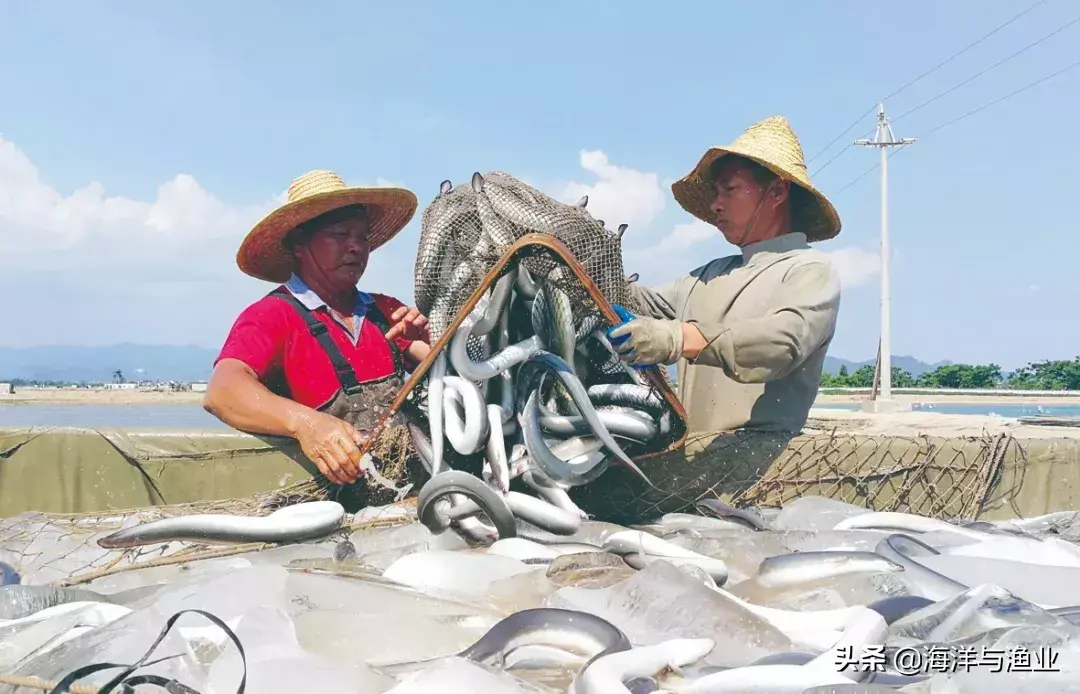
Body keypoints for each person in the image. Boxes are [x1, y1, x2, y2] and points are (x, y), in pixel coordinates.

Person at [609, 116, 842, 435]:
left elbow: (781, 344)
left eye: (730, 190)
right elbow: (632, 300)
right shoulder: (707, 276)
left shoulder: (808, 272)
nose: (716, 204)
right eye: (715, 192)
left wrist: (680, 338)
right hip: (688, 464)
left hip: (760, 468)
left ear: (776, 192)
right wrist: (585, 263)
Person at [203, 170, 431, 486]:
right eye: (340, 234)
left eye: (362, 237)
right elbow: (222, 392)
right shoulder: (272, 315)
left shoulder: (386, 311)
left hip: (409, 493)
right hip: (330, 502)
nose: (356, 247)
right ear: (299, 244)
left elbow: (443, 363)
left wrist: (432, 338)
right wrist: (307, 425)